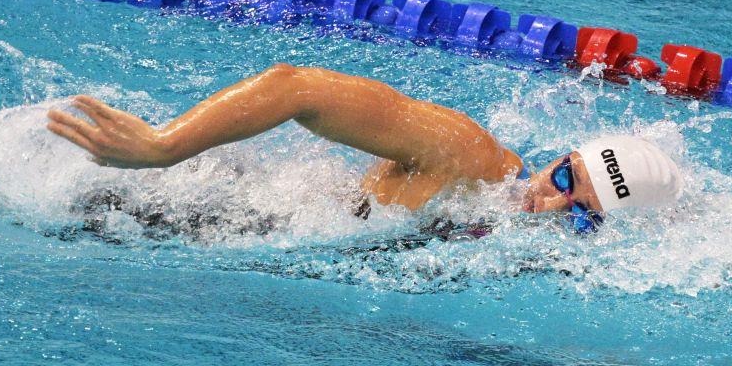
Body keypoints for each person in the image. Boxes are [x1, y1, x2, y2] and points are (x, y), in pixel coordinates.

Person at [46, 64, 682, 234]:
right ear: (559, 155)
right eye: (565, 178)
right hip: (191, 204)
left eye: (580, 216)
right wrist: (163, 147)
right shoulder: (471, 159)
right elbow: (295, 88)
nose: (549, 205)